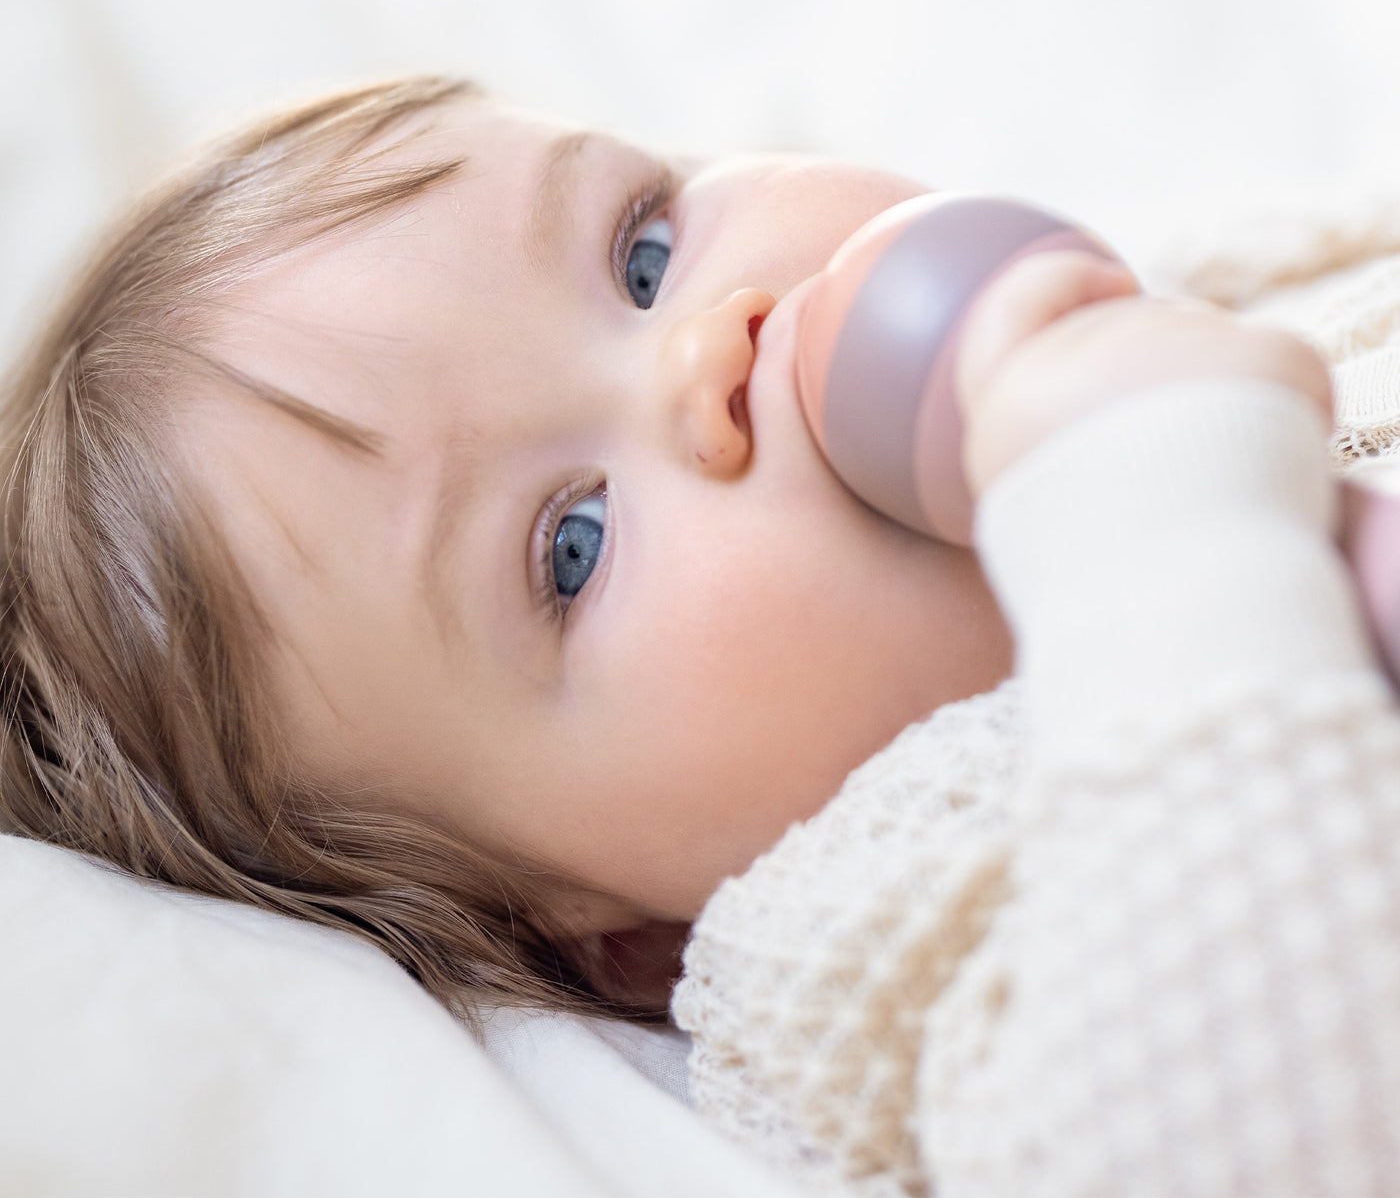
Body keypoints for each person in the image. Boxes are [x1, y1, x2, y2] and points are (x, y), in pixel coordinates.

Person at [1, 74, 1396, 1193]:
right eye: (572, 546)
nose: (713, 347)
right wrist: (1159, 525)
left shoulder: (1204, 300)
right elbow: (1242, 1127)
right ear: (623, 942)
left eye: (645, 248)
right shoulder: (873, 925)